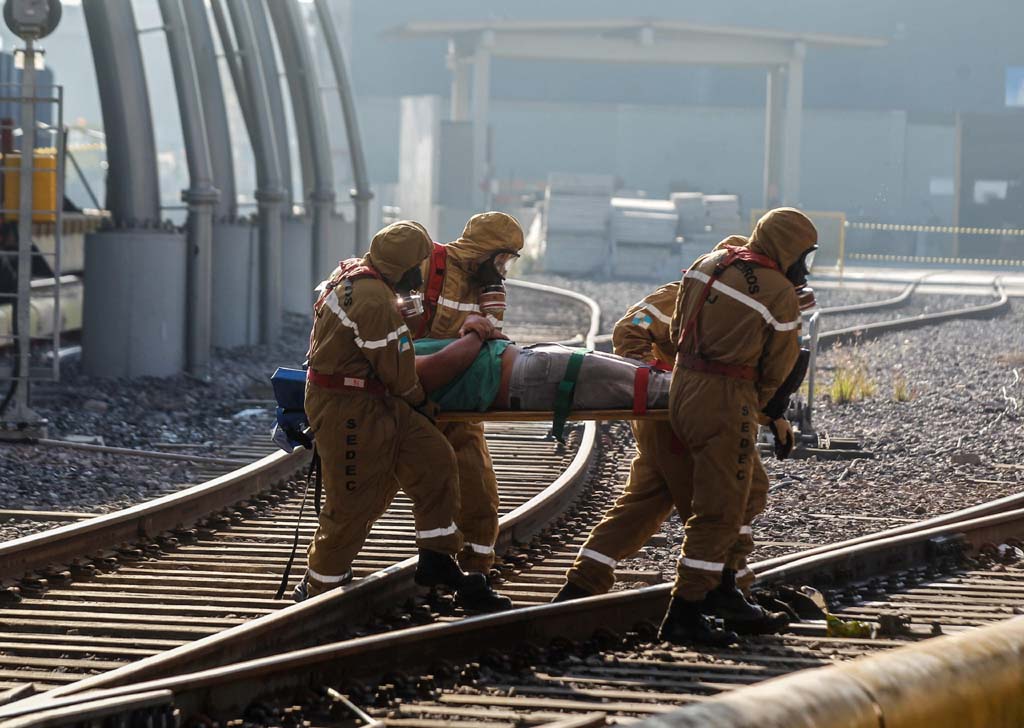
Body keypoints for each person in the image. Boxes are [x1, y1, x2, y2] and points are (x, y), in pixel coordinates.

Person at [294, 220, 506, 612]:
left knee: (435, 460)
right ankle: (320, 589)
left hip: (381, 399)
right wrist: (425, 405)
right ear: (403, 265)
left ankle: (436, 558)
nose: (421, 274)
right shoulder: (373, 300)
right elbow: (400, 372)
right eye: (417, 264)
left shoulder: (365, 278)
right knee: (353, 503)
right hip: (350, 407)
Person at [656, 207, 818, 646]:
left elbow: (675, 327)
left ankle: (726, 588)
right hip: (726, 397)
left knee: (751, 489)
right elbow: (779, 366)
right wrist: (761, 409)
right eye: (804, 256)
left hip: (683, 385)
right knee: (721, 508)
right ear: (788, 248)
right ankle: (685, 611)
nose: (805, 268)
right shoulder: (778, 291)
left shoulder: (708, 263)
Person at [410, 212, 524, 596]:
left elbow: (491, 340)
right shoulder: (427, 264)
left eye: (508, 262)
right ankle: (323, 578)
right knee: (370, 496)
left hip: (457, 405)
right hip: (409, 398)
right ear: (484, 250)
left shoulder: (487, 286)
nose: (503, 269)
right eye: (501, 259)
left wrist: (491, 308)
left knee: (478, 491)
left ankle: (475, 575)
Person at [413, 329, 672, 413]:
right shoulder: (394, 363)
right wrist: (477, 333)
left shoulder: (398, 347)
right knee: (651, 387)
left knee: (646, 376)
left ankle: (690, 390)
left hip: (531, 368)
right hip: (528, 378)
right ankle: (694, 394)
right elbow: (436, 369)